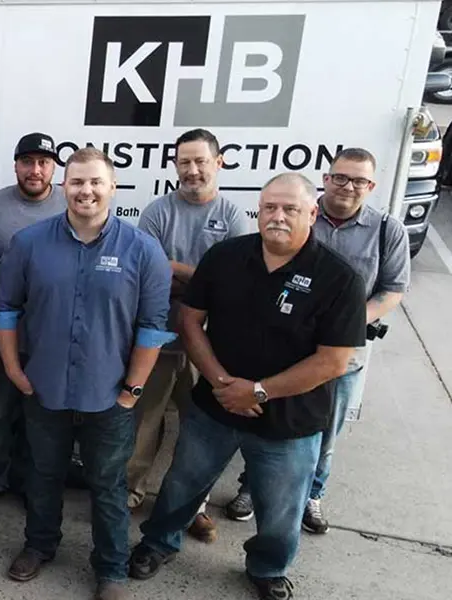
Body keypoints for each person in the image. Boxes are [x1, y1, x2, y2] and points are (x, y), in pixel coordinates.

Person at [129, 173, 367, 600]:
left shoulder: (340, 279)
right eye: (269, 207)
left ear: (312, 213)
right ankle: (158, 542)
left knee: (280, 508)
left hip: (290, 421)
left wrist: (257, 391)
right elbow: (189, 320)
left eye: (290, 209)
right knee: (183, 484)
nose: (277, 216)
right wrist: (222, 382)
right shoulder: (225, 257)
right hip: (215, 406)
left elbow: (334, 360)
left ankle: (268, 567)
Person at [0, 147, 172, 600]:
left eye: (95, 182)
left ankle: (111, 568)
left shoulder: (143, 251)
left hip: (109, 395)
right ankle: (40, 544)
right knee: (43, 474)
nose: (85, 190)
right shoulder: (29, 243)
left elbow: (153, 327)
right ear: (63, 187)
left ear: (112, 187)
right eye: (76, 182)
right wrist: (13, 368)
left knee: (107, 485)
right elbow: (5, 309)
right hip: (43, 386)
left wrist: (132, 390)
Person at [224, 148, 410, 535]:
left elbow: (393, 289)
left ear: (371, 186)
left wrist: (349, 320)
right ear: (326, 180)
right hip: (283, 354)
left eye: (359, 180)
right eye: (340, 177)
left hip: (342, 358)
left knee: (323, 434)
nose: (348, 186)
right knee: (264, 423)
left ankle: (313, 493)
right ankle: (250, 487)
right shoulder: (297, 215)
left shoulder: (387, 230)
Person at [127, 128, 254, 543]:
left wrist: (181, 274)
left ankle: (192, 507)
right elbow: (149, 274)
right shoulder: (157, 212)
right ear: (175, 165)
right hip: (160, 338)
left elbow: (235, 285)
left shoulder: (233, 216)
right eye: (184, 162)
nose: (193, 170)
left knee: (200, 430)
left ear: (219, 162)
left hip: (210, 347)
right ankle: (130, 491)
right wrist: (204, 280)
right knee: (144, 421)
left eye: (201, 161)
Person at [0, 131, 67, 511]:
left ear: (54, 167)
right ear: (16, 165)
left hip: (49, 339)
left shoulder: (68, 206)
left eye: (43, 162)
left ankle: (30, 482)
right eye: (28, 162)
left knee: (40, 417)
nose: (35, 170)